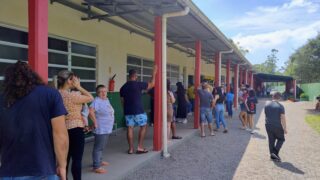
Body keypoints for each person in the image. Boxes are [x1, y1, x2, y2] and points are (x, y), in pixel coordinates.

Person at [0, 61, 69, 180]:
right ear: (32, 75)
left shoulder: (2, 98)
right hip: (43, 169)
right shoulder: (51, 94)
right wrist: (62, 165)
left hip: (9, 171)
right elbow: (60, 134)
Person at [57, 70, 94, 180]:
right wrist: (79, 87)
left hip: (61, 129)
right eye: (75, 79)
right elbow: (90, 97)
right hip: (76, 128)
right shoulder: (72, 96)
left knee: (63, 159)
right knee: (77, 159)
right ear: (69, 80)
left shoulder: (55, 94)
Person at [120, 66, 157, 154]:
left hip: (128, 111)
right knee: (143, 126)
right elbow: (152, 84)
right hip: (138, 110)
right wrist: (154, 73)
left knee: (130, 128)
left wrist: (125, 109)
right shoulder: (138, 84)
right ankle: (140, 147)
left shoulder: (123, 87)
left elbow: (122, 101)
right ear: (136, 76)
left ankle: (131, 149)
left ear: (129, 76)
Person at [89, 85, 114, 174]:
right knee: (98, 148)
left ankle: (99, 161)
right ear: (97, 93)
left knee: (101, 146)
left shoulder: (106, 99)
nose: (103, 93)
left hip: (106, 128)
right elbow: (90, 111)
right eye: (101, 91)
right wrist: (95, 123)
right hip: (101, 129)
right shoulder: (97, 101)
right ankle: (96, 166)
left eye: (105, 91)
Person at [264, 92, 287, 162]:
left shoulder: (266, 105)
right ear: (279, 98)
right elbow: (282, 118)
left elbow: (266, 115)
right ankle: (274, 153)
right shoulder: (280, 106)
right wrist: (285, 128)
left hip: (268, 124)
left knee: (271, 140)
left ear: (272, 97)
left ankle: (273, 156)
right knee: (281, 139)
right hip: (277, 125)